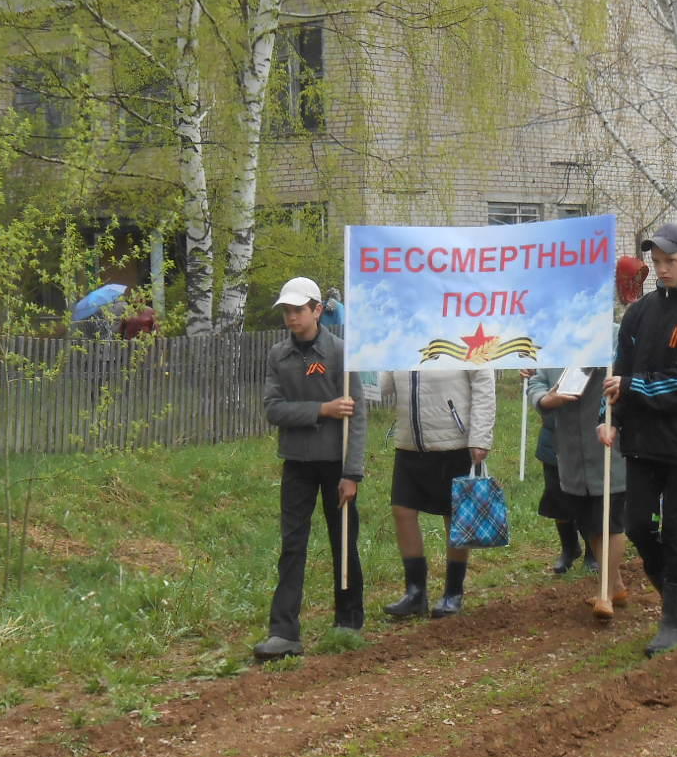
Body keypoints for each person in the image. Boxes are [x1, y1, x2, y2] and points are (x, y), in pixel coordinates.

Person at [598, 221, 677, 657]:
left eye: (670, 260)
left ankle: (675, 619)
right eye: (656, 262)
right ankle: (670, 585)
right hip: (640, 441)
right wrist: (609, 416)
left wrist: (634, 388)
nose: (662, 269)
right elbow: (619, 370)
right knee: (636, 526)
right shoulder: (638, 313)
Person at [253, 277, 367, 660]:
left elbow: (360, 416)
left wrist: (352, 474)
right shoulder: (278, 356)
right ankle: (284, 631)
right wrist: (322, 410)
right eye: (286, 311)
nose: (291, 318)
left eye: (298, 310)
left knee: (343, 542)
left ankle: (349, 619)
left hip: (336, 464)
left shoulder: (341, 354)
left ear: (318, 310)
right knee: (293, 546)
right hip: (297, 464)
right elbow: (273, 409)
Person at [380, 365, 495, 619]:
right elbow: (384, 386)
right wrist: (365, 365)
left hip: (453, 441)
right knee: (402, 510)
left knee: (453, 516)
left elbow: (484, 383)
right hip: (409, 443)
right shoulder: (401, 340)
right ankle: (415, 593)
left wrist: (481, 437)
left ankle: (453, 592)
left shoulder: (459, 333)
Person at [527, 365, 630, 611]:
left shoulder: (615, 341)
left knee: (610, 520)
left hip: (608, 446)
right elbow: (536, 383)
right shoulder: (558, 346)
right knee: (586, 521)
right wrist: (546, 399)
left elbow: (631, 379)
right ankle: (616, 586)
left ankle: (604, 595)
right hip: (569, 450)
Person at [522, 367, 592, 575]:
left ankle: (593, 551)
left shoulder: (600, 346)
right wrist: (544, 399)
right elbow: (537, 383)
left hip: (591, 436)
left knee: (590, 497)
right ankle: (569, 548)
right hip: (554, 437)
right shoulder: (553, 351)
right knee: (556, 495)